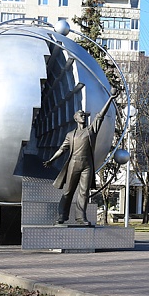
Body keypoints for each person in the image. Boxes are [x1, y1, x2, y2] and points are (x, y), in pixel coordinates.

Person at [43, 88, 118, 226]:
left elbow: (100, 116)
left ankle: (80, 218)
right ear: (75, 118)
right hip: (73, 164)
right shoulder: (70, 135)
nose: (83, 116)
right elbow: (62, 149)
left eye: (84, 115)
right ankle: (61, 215)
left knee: (83, 192)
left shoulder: (91, 131)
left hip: (87, 165)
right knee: (68, 191)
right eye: (81, 114)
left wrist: (111, 99)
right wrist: (51, 160)